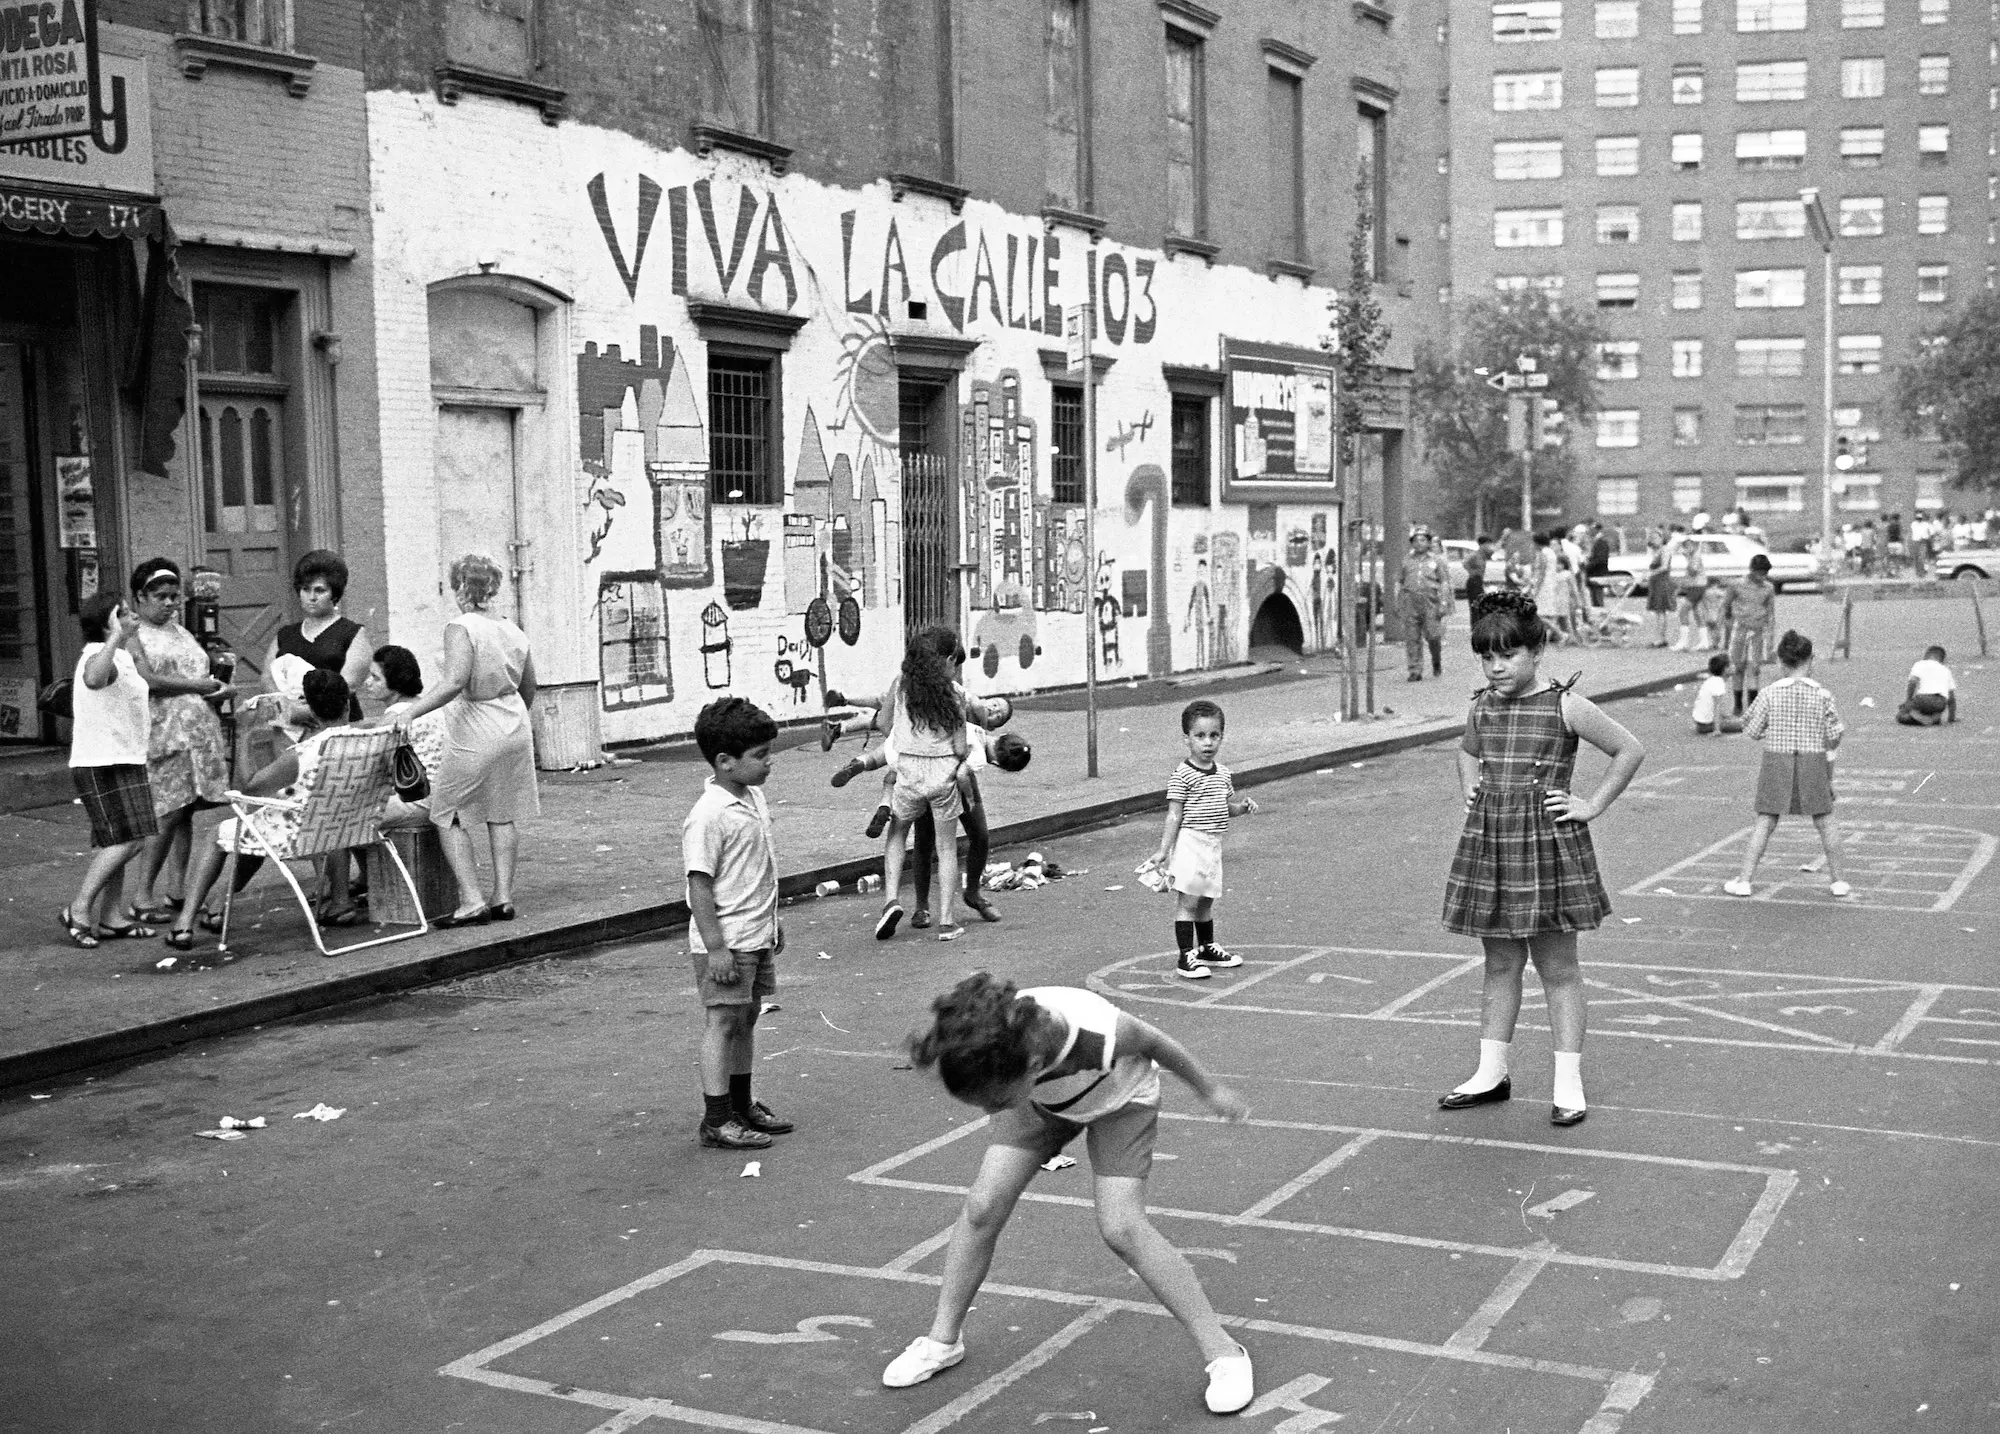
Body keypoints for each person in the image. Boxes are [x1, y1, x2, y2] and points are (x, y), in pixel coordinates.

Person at [883, 972, 1256, 1414]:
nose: (986, 1112)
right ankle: (943, 1341)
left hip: (1121, 1100)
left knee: (1122, 1228)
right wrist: (996, 1092)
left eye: (993, 1102)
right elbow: (968, 1056)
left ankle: (1224, 1353)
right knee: (982, 1206)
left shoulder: (1103, 1032)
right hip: (1040, 1103)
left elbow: (1157, 1044)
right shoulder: (989, 1042)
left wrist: (1210, 1090)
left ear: (1036, 1063)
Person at [1440, 590, 1645, 1127]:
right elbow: (1467, 751)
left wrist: (1591, 805)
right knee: (1500, 963)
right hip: (1494, 847)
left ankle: (1568, 1082)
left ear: (1536, 652)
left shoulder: (1564, 705)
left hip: (1548, 848)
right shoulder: (1482, 705)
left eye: (1507, 655)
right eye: (1486, 657)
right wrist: (1472, 790)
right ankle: (1491, 1073)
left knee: (1557, 968)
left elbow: (1629, 749)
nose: (1496, 666)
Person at [386, 554, 538, 927]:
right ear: (493, 587)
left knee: (447, 810)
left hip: (476, 722)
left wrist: (412, 711)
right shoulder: (512, 628)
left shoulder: (460, 626)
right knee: (502, 811)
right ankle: (502, 896)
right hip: (514, 722)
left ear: (458, 587)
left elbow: (455, 681)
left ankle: (471, 900)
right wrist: (512, 715)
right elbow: (529, 684)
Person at [162, 670, 358, 950]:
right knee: (256, 827)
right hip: (345, 826)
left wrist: (243, 735)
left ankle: (184, 923)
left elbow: (249, 789)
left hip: (302, 832)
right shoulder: (367, 738)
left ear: (310, 709)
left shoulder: (304, 753)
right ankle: (221, 905)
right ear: (347, 705)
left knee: (219, 833)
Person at [682, 695, 792, 1152]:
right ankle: (716, 1118)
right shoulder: (708, 816)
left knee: (746, 1017)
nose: (770, 762)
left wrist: (772, 921)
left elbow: (756, 868)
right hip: (727, 940)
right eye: (761, 755)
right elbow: (699, 887)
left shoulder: (753, 797)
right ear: (725, 762)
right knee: (723, 1022)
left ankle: (743, 1104)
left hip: (755, 932)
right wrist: (716, 949)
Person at [125, 558, 231, 923]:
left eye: (174, 597)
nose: (170, 604)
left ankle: (177, 889)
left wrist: (216, 689)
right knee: (165, 814)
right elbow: (148, 680)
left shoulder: (180, 631)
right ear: (140, 596)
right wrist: (198, 687)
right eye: (161, 597)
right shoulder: (133, 634)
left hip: (196, 733)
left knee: (185, 812)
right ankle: (142, 895)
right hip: (165, 733)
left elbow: (198, 671)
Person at [60, 593, 161, 947]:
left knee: (115, 840)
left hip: (125, 756)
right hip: (101, 760)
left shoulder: (121, 655)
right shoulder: (97, 654)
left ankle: (111, 916)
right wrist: (117, 637)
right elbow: (93, 679)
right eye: (123, 613)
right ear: (107, 623)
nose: (133, 616)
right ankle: (79, 907)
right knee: (127, 839)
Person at [871, 627, 978, 942]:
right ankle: (946, 920)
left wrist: (904, 738)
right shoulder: (955, 693)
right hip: (943, 776)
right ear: (946, 659)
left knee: (897, 834)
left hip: (909, 773)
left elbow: (882, 723)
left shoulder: (901, 686)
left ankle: (891, 899)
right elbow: (960, 747)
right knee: (946, 848)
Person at [1726, 631, 1850, 899]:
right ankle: (1838, 881)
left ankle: (1744, 880)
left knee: (1765, 821)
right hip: (1813, 761)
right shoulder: (1823, 695)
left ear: (1781, 662)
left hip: (1777, 761)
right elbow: (1834, 736)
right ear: (1811, 660)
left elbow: (1753, 730)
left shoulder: (1770, 693)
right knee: (1825, 821)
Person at [1148, 699, 1256, 981]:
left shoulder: (1222, 773)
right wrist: (1163, 851)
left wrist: (1240, 809)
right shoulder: (1182, 775)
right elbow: (1174, 815)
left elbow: (1223, 807)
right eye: (1200, 736)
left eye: (1214, 735)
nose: (1207, 743)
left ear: (1222, 736)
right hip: (1190, 845)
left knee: (1207, 899)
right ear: (1187, 739)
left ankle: (1206, 948)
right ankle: (1186, 956)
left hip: (1212, 845)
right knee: (1190, 901)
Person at [263, 549, 369, 731]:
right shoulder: (285, 634)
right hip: (290, 728)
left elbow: (348, 684)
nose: (312, 597)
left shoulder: (352, 632)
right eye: (306, 589)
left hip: (338, 727)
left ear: (334, 594)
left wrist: (306, 711)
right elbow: (267, 677)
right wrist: (286, 706)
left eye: (320, 590)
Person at [367, 644, 448, 828]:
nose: (368, 682)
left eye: (375, 678)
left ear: (395, 682)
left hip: (416, 798)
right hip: (443, 797)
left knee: (344, 819)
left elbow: (370, 768)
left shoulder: (392, 719)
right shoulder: (429, 707)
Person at [1720, 554, 1777, 717]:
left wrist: (1770, 638)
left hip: (1758, 631)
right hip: (1740, 629)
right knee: (1738, 668)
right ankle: (1738, 704)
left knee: (1754, 668)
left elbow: (1771, 613)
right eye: (1759, 573)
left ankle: (1752, 706)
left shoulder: (1768, 588)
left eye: (1765, 574)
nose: (1762, 577)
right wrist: (1722, 629)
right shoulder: (1737, 585)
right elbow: (1725, 606)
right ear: (1752, 571)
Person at [1398, 527, 1452, 682]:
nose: (1419, 543)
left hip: (1430, 602)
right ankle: (1415, 669)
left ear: (1428, 543)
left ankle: (1436, 660)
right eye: (1415, 541)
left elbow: (1444, 582)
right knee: (1412, 637)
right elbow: (1400, 581)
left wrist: (1443, 602)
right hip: (1411, 602)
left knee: (1433, 636)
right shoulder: (1407, 560)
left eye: (1422, 540)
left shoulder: (1437, 560)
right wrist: (1399, 601)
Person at [1897, 645, 1957, 726]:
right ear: (1942, 660)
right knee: (1929, 710)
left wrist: (1908, 700)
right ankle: (1933, 718)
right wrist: (1951, 718)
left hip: (1922, 699)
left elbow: (1912, 682)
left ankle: (1919, 717)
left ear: (1926, 655)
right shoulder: (1946, 670)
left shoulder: (1920, 664)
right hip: (1940, 702)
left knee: (1901, 715)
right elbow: (1951, 699)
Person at [1531, 532, 1573, 644]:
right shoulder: (1551, 553)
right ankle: (1545, 637)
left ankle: (1560, 633)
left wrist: (1536, 588)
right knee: (1545, 614)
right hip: (1550, 584)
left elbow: (1541, 572)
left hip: (1544, 585)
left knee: (1539, 614)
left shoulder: (1542, 553)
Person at [1670, 537, 1706, 651]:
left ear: (1694, 546)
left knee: (1683, 611)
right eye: (1685, 546)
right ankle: (1704, 641)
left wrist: (1688, 558)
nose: (1686, 549)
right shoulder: (1692, 557)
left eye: (1689, 546)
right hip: (1695, 586)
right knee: (1697, 613)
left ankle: (1683, 642)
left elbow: (1693, 571)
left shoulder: (1695, 557)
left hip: (1697, 586)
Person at [1644, 533, 1675, 646]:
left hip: (1662, 582)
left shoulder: (1665, 550)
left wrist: (1651, 573)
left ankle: (1661, 639)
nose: (1654, 540)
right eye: (1652, 538)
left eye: (1657, 538)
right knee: (1657, 611)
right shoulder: (1655, 551)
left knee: (1661, 610)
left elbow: (1665, 566)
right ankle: (1659, 637)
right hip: (1655, 583)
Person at [1691, 654, 1730, 736]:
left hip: (1701, 723)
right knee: (1742, 724)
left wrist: (1727, 716)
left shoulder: (1712, 680)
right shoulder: (1718, 683)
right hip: (1707, 725)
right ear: (1725, 669)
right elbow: (1717, 706)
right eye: (1731, 665)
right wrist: (1717, 730)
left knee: (1736, 721)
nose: (1734, 667)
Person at [1585, 523, 1612, 609]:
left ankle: (1601, 614)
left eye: (1592, 529)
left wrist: (1587, 566)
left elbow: (1600, 559)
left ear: (1597, 530)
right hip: (1594, 573)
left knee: (1598, 598)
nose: (1590, 531)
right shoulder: (1595, 542)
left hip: (1598, 573)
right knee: (1594, 598)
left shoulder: (1601, 542)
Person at [1463, 535, 1494, 609]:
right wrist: (1472, 572)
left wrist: (1503, 537)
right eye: (1487, 544)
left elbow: (1494, 550)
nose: (1489, 546)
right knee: (1475, 605)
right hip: (1474, 581)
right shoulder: (1475, 554)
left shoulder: (1484, 554)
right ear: (1482, 545)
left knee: (1481, 605)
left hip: (1479, 581)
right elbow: (1465, 563)